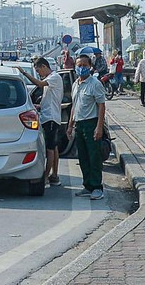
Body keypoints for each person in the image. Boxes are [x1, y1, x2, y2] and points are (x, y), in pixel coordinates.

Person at [67, 53, 108, 200]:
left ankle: (97, 187)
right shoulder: (75, 84)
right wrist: (70, 125)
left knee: (94, 157)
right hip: (79, 124)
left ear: (90, 67)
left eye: (85, 65)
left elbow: (101, 106)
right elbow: (74, 105)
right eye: (79, 65)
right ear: (75, 67)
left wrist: (99, 127)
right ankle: (87, 185)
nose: (82, 68)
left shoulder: (95, 84)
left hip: (91, 123)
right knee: (83, 157)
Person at [19, 56, 65, 186]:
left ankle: (45, 177)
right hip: (50, 115)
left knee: (50, 149)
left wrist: (24, 73)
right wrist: (38, 106)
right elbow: (49, 99)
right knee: (54, 147)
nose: (39, 74)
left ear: (44, 67)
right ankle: (54, 175)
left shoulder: (53, 78)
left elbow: (39, 84)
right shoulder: (51, 79)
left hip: (50, 117)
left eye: (38, 71)